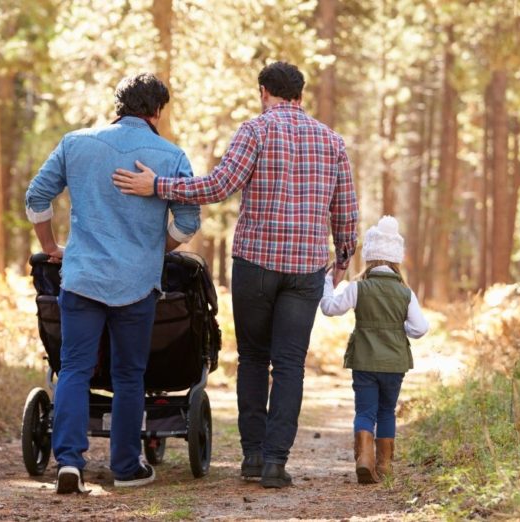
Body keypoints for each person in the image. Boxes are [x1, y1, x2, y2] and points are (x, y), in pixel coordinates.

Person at [112, 61, 358, 488]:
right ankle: (276, 464)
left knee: (253, 359)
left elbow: (219, 186)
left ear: (265, 91)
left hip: (256, 266)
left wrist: (159, 186)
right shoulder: (332, 141)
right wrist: (341, 261)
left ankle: (252, 457)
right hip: (304, 269)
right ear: (300, 95)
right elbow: (346, 212)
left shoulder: (255, 131)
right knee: (289, 366)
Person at [25, 73, 200, 494]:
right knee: (128, 375)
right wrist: (154, 252)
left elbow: (36, 197)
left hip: (82, 277)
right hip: (137, 284)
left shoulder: (76, 142)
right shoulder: (172, 155)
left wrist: (52, 247)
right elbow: (188, 223)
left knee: (73, 369)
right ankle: (125, 467)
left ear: (118, 104)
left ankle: (68, 462)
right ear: (158, 111)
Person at [320, 216, 429, 484]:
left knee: (365, 412)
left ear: (370, 257)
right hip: (394, 364)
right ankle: (384, 465)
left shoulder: (358, 287)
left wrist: (326, 282)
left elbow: (329, 308)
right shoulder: (405, 292)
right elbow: (421, 328)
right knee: (386, 411)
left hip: (364, 362)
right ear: (395, 260)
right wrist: (397, 329)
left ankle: (364, 460)